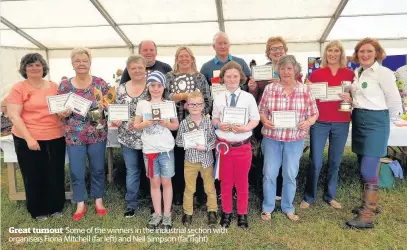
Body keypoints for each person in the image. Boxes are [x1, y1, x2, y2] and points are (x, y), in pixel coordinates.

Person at [344, 38, 402, 229]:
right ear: (357, 54)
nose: (365, 55)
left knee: (367, 169)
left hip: (376, 121)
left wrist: (388, 123)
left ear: (377, 53)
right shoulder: (357, 72)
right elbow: (360, 97)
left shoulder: (383, 73)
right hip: (359, 119)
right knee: (365, 162)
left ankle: (366, 216)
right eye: (361, 51)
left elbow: (394, 101)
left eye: (369, 51)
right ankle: (370, 204)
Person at [6, 53, 66, 220]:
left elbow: (59, 111)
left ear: (43, 67)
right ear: (24, 68)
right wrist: (29, 138)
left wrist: (64, 113)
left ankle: (56, 207)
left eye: (38, 65)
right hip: (28, 136)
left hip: (55, 135)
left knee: (55, 173)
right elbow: (14, 116)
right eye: (30, 65)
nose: (34, 68)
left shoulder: (54, 86)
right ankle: (37, 210)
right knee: (33, 174)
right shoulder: (19, 88)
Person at [259, 55, 318, 222]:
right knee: (269, 173)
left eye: (289, 68)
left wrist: (307, 122)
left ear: (296, 70)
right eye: (283, 68)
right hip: (272, 138)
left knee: (290, 174)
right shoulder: (270, 89)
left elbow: (314, 113)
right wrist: (265, 120)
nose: (286, 72)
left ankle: (287, 207)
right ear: (278, 71)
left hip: (294, 139)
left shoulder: (305, 90)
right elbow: (262, 110)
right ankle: (268, 207)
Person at [300, 40, 355, 210]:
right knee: (316, 161)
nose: (332, 54)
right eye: (329, 50)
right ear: (325, 54)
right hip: (320, 122)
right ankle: (309, 197)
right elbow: (307, 98)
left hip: (341, 121)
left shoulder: (350, 74)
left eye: (336, 51)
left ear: (341, 53)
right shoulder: (316, 74)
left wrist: (350, 99)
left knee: (335, 161)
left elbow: (356, 99)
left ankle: (330, 196)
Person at [58, 48, 110, 221]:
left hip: (97, 134)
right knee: (76, 171)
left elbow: (110, 104)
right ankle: (80, 202)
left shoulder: (100, 84)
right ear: (72, 64)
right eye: (77, 60)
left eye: (84, 60)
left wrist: (107, 108)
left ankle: (98, 200)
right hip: (74, 136)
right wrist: (62, 113)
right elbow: (58, 111)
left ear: (90, 63)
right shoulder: (65, 86)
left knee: (98, 169)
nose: (81, 63)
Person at [248, 36, 301, 201]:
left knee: (284, 156)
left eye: (280, 48)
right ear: (268, 53)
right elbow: (254, 96)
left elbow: (299, 87)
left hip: (288, 121)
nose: (277, 51)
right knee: (263, 155)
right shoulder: (261, 71)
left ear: (285, 50)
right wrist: (253, 87)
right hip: (265, 118)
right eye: (273, 49)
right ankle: (262, 190)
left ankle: (279, 191)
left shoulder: (293, 70)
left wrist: (281, 81)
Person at [212, 61, 260, 228]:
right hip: (223, 147)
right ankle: (226, 213)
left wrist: (246, 128)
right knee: (225, 182)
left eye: (235, 76)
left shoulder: (248, 97)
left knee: (241, 182)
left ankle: (242, 214)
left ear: (241, 78)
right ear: (223, 78)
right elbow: (214, 118)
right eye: (228, 76)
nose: (231, 79)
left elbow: (256, 118)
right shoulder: (218, 98)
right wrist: (218, 125)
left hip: (242, 146)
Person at [166, 46, 212, 206]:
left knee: (198, 159)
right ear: (176, 59)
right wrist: (182, 97)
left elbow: (208, 102)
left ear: (192, 59)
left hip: (197, 126)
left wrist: (195, 108)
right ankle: (178, 192)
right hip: (175, 125)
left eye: (187, 56)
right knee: (179, 160)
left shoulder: (200, 78)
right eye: (181, 56)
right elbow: (163, 98)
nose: (184, 59)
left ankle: (200, 193)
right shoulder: (169, 77)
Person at [133, 71, 179, 229]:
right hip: (150, 151)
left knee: (166, 181)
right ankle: (157, 214)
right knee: (154, 182)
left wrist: (165, 124)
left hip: (166, 150)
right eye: (152, 85)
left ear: (164, 87)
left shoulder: (169, 104)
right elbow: (136, 125)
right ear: (148, 87)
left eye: (159, 85)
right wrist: (146, 124)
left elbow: (175, 125)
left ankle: (167, 214)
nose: (156, 88)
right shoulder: (142, 104)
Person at [112, 55, 149, 217]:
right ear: (128, 69)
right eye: (133, 68)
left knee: (151, 171)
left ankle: (154, 202)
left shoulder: (152, 86)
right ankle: (131, 204)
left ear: (145, 68)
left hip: (149, 136)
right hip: (127, 137)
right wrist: (115, 119)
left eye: (140, 67)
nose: (137, 71)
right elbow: (113, 109)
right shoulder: (120, 88)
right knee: (132, 171)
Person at [175, 91, 217, 227]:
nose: (195, 107)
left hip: (206, 160)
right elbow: (178, 142)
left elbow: (213, 140)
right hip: (190, 161)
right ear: (187, 106)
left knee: (210, 188)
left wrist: (205, 147)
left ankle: (212, 211)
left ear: (203, 106)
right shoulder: (184, 123)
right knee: (189, 188)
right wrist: (189, 142)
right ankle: (188, 212)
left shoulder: (208, 122)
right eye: (192, 104)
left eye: (198, 104)